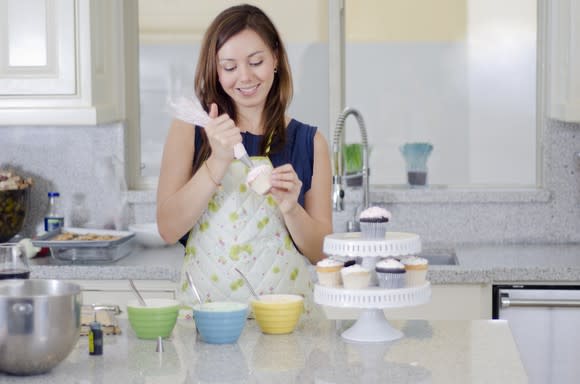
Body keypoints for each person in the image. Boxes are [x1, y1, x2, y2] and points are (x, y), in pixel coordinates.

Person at [157, 4, 332, 307]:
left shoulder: (310, 142)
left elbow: (322, 253)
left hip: (284, 327)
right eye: (229, 67)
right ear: (215, 69)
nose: (245, 77)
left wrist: (292, 208)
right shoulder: (191, 129)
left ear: (275, 58)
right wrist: (218, 160)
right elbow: (168, 229)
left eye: (256, 61)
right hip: (207, 325)